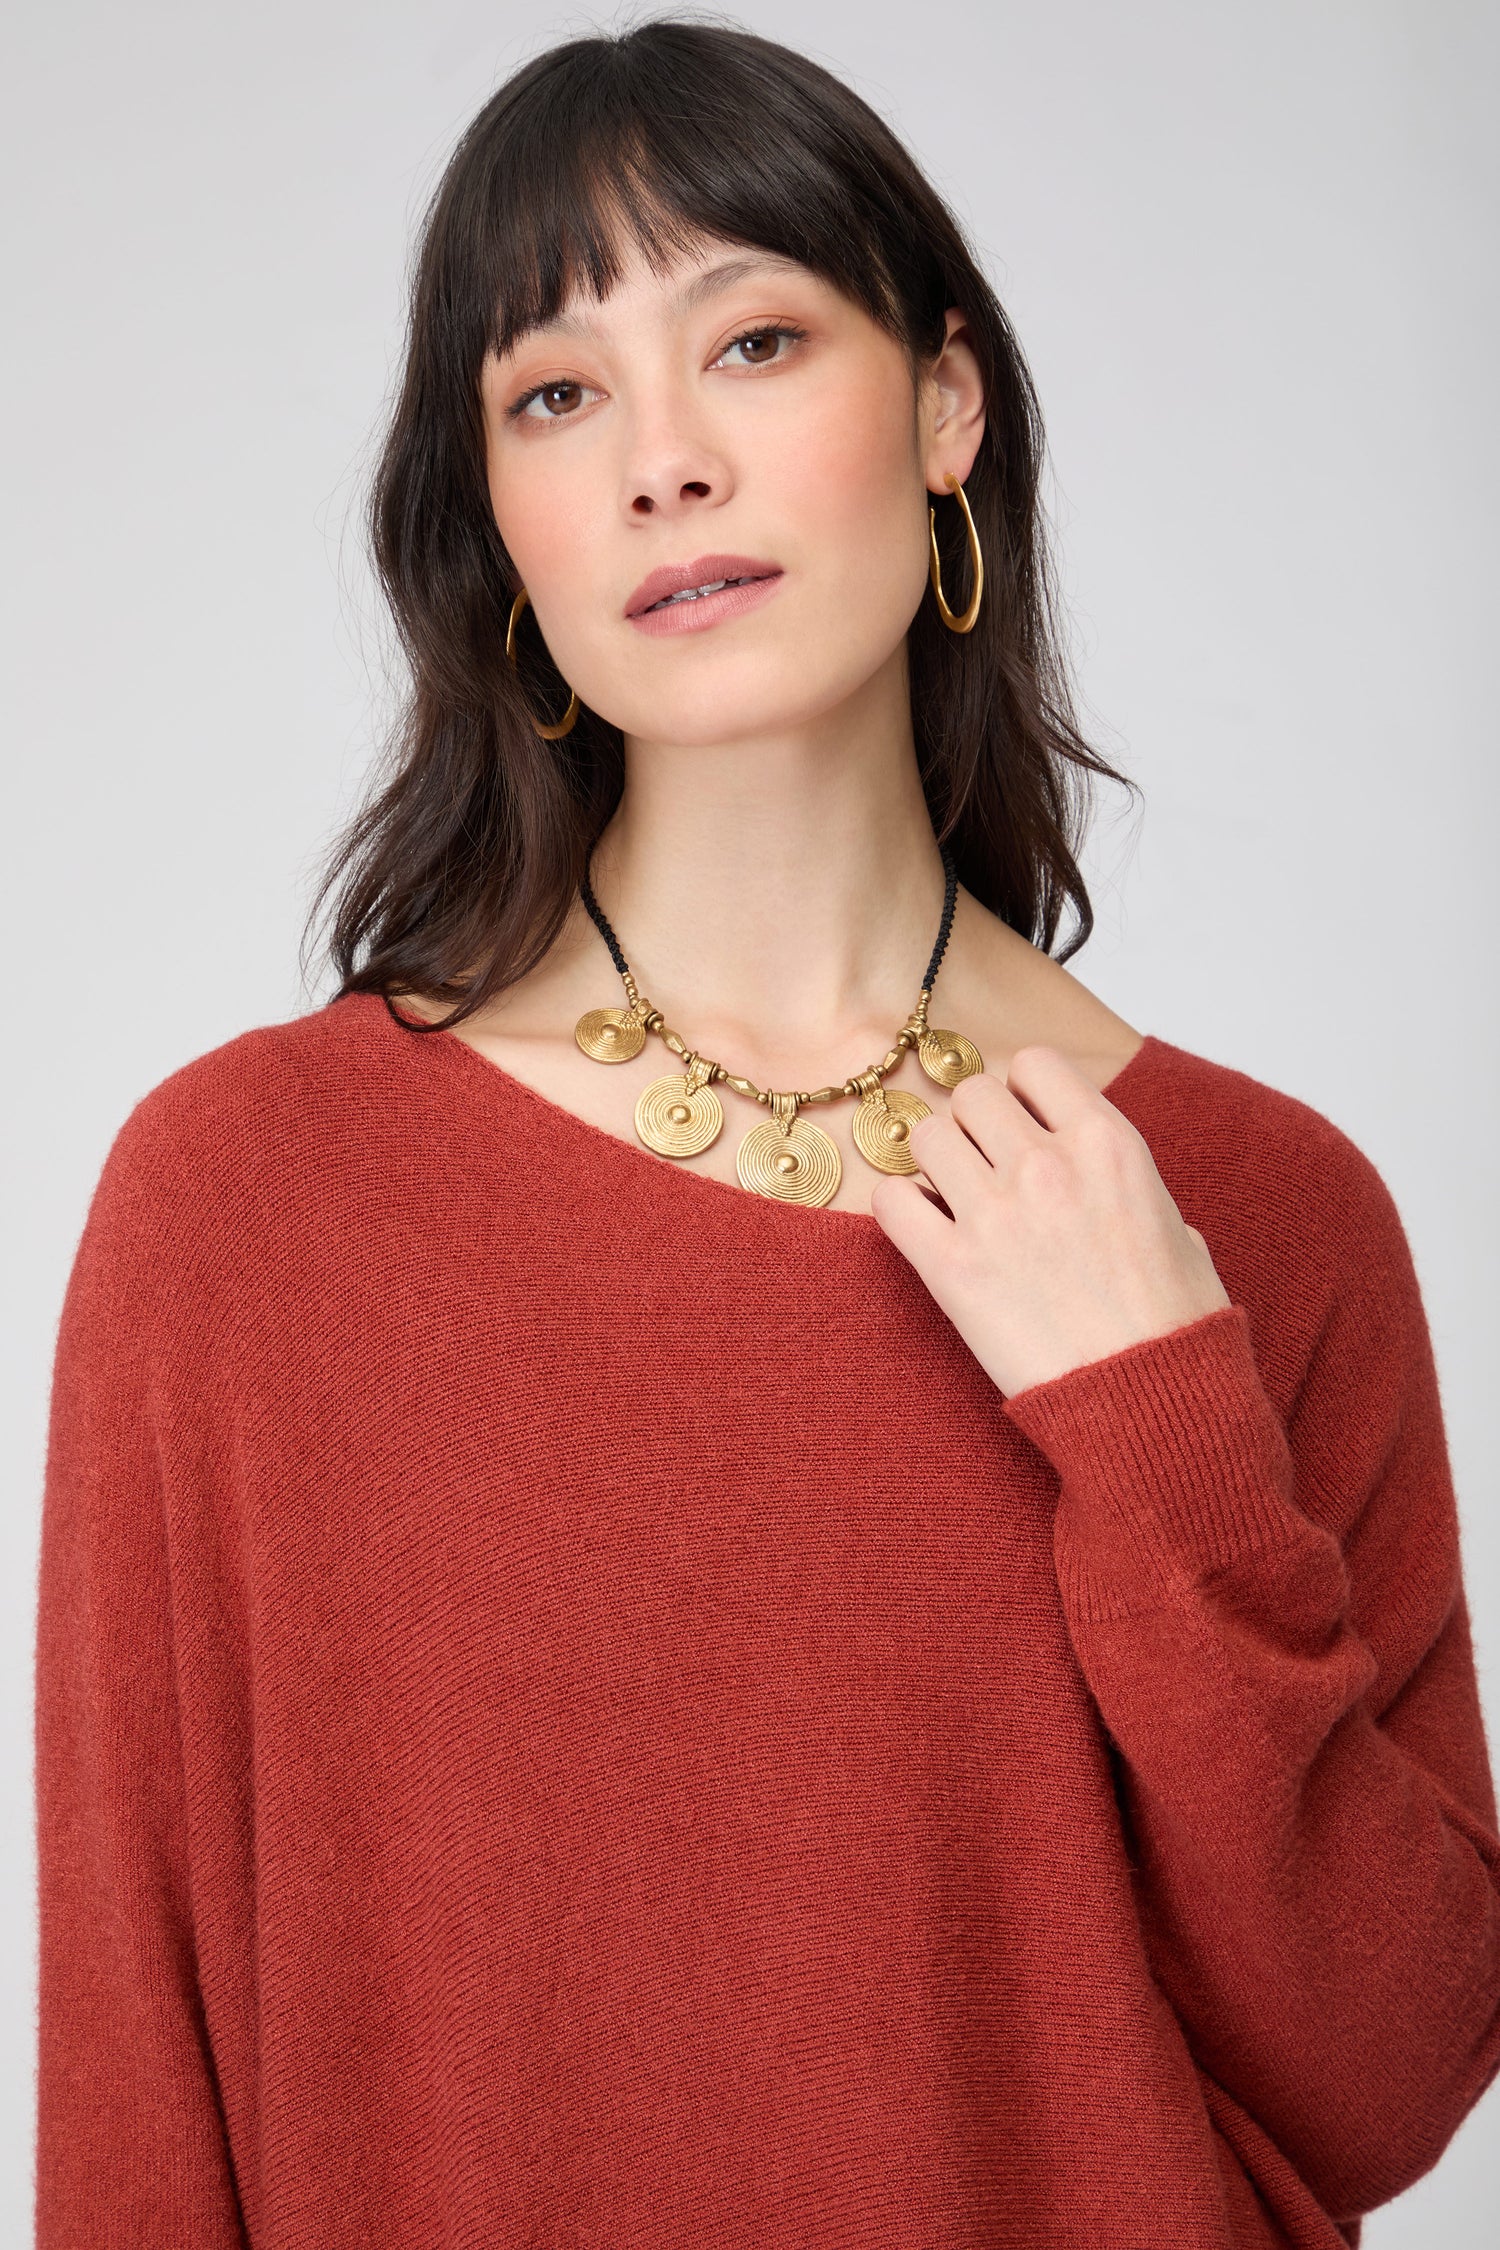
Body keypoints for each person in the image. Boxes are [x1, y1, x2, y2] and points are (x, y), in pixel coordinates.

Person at [33, 19, 1500, 2249]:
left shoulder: (1264, 1209)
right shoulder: (245, 1201)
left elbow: (1394, 2076)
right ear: (498, 525)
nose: (664, 464)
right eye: (556, 396)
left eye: (753, 341)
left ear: (945, 403)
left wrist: (1155, 1419)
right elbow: (136, 2086)